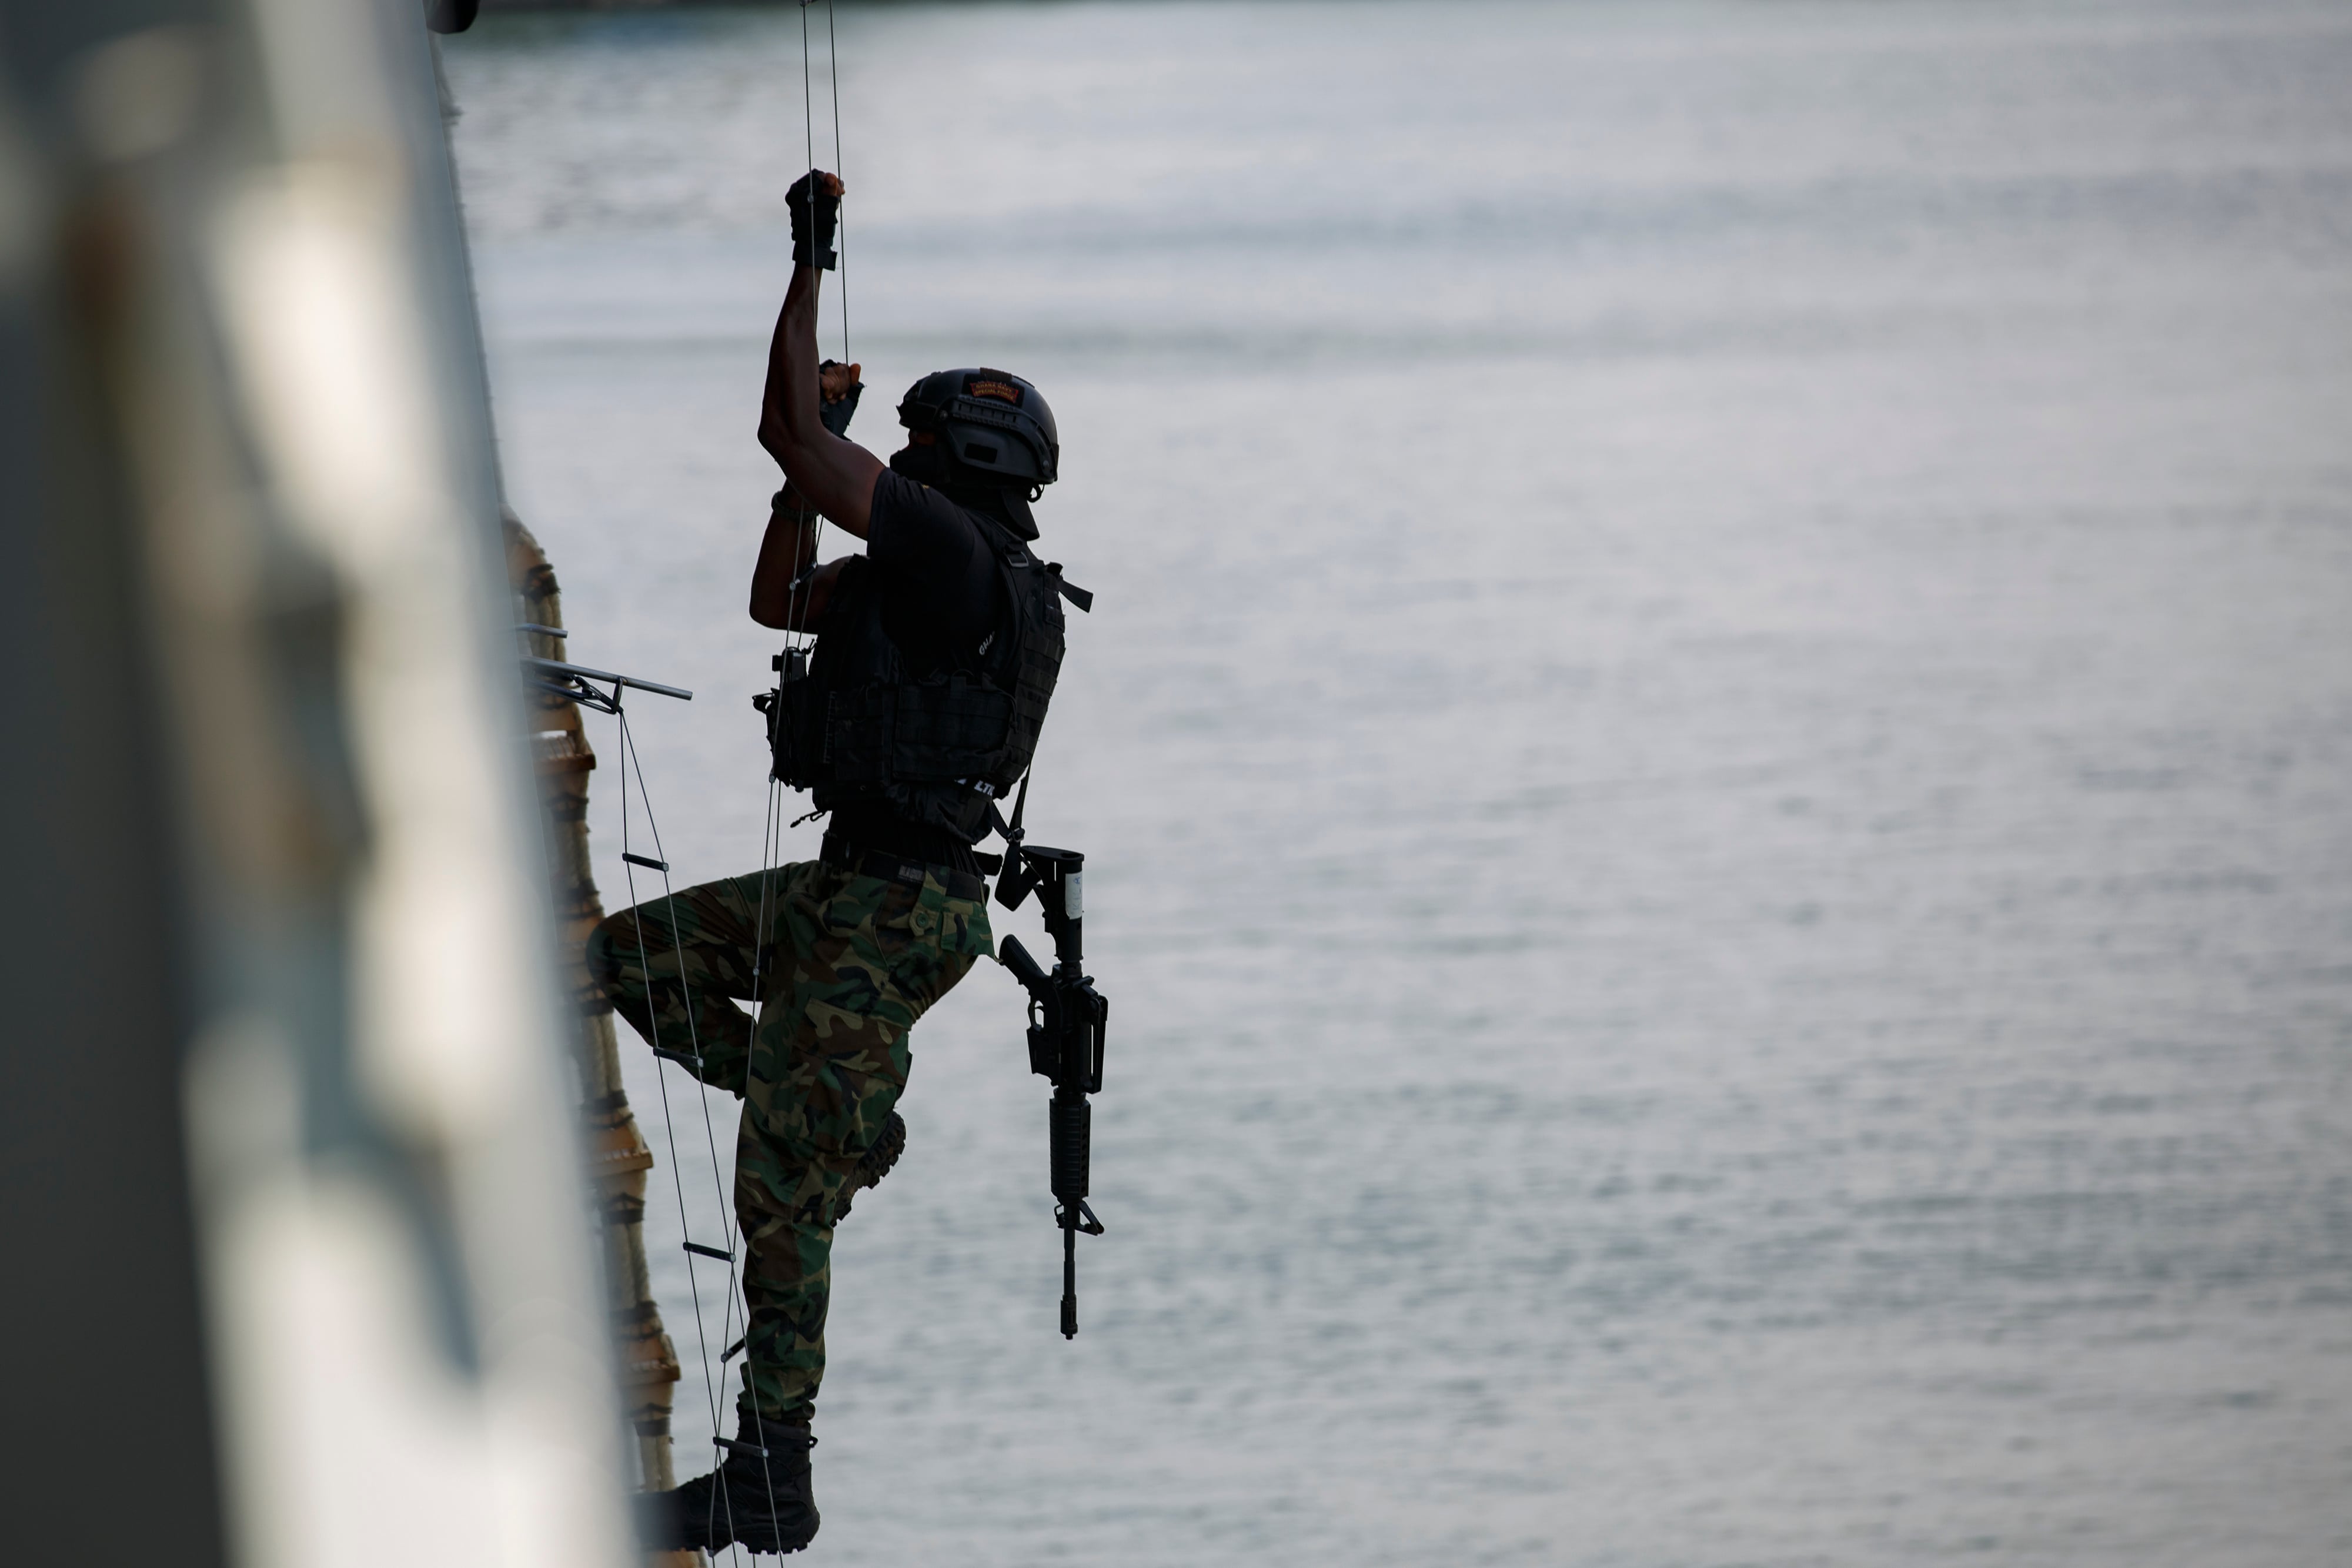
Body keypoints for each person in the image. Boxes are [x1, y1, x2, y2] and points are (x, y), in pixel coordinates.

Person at [590, 170, 1079, 1555]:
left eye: (912, 442)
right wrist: (807, 464)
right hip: (855, 890)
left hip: (896, 908)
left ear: (959, 461)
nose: (898, 461)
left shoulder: (955, 554)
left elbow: (784, 428)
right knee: (627, 955)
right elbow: (775, 594)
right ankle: (836, 1117)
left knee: (777, 1196)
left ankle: (771, 1471)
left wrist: (807, 265)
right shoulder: (933, 565)